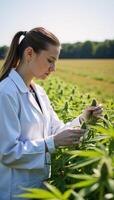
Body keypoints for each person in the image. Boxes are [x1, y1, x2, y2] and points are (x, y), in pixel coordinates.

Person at [0, 27, 102, 200]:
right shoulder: (6, 93)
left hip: (40, 189)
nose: (53, 68)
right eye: (50, 60)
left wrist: (84, 119)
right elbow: (8, 153)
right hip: (15, 193)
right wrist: (51, 143)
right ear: (29, 53)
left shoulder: (39, 92)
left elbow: (57, 132)